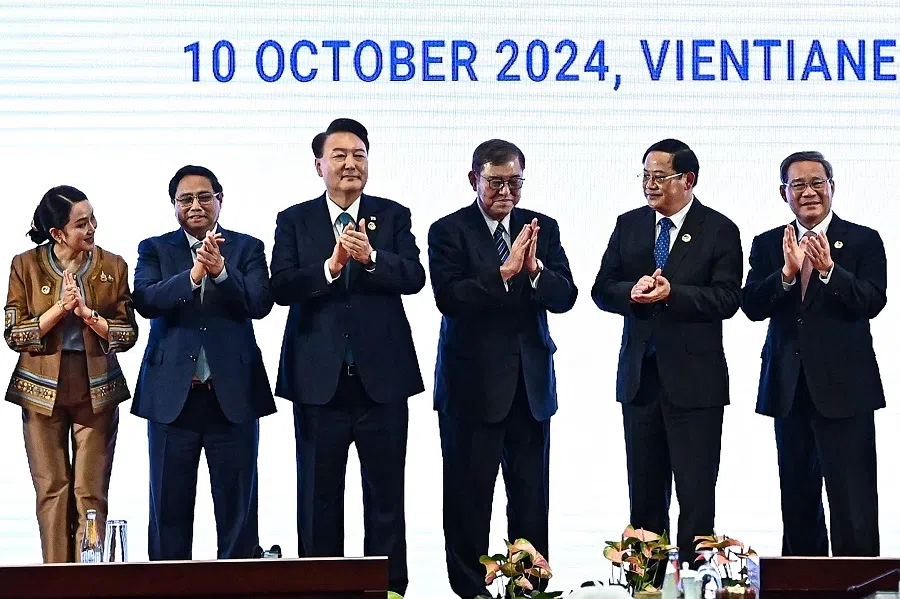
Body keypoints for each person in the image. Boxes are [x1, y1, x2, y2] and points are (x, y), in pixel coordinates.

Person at [270, 118, 425, 596]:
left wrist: (372, 259)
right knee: (318, 497)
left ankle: (388, 588)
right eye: (339, 155)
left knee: (385, 497)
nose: (350, 163)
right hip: (318, 381)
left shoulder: (392, 215)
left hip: (382, 382)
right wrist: (332, 266)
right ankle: (320, 588)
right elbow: (281, 285)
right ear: (319, 165)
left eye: (358, 154)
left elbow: (414, 276)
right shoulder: (294, 219)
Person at [428, 139, 577, 599]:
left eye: (515, 182)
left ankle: (528, 588)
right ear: (474, 180)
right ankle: (470, 590)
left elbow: (566, 295)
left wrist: (534, 272)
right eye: (496, 182)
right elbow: (449, 298)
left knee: (531, 500)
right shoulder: (447, 230)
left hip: (529, 387)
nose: (506, 192)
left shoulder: (542, 229)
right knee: (468, 499)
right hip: (469, 388)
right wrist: (504, 273)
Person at [592, 139, 742, 565]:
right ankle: (646, 584)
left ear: (688, 180)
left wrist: (673, 293)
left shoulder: (719, 229)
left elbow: (729, 298)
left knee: (695, 497)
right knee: (643, 495)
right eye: (645, 176)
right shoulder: (629, 225)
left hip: (696, 385)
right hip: (640, 379)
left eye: (660, 177)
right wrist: (632, 292)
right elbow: (602, 288)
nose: (650, 185)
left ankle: (694, 582)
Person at [741, 151, 884, 557]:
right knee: (798, 498)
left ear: (832, 188)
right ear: (783, 192)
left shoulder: (863, 239)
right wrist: (785, 275)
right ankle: (804, 586)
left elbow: (873, 301)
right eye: (798, 185)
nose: (809, 192)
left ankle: (860, 585)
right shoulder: (769, 243)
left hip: (847, 390)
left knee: (853, 501)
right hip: (789, 388)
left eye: (817, 183)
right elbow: (751, 306)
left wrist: (829, 272)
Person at [131, 165, 275, 560]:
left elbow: (261, 303)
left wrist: (222, 272)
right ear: (174, 206)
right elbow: (146, 299)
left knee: (238, 512)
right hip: (172, 398)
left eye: (204, 197)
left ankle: (238, 587)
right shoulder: (155, 249)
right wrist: (194, 275)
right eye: (186, 199)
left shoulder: (247, 247)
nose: (195, 206)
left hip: (232, 396)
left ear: (220, 200)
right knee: (169, 512)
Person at [4, 185, 137, 562]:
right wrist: (58, 311)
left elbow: (127, 334)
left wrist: (87, 316)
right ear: (57, 234)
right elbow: (15, 334)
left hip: (97, 387)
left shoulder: (113, 266)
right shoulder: (25, 265)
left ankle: (89, 576)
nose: (92, 228)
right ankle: (55, 576)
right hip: (40, 389)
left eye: (93, 218)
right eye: (82, 224)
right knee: (52, 489)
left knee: (90, 491)